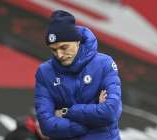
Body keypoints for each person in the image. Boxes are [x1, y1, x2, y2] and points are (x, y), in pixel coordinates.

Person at [34, 10, 122, 140]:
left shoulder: (105, 64)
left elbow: (110, 113)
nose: (59, 55)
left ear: (77, 41)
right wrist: (86, 122)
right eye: (54, 49)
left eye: (64, 47)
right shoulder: (44, 72)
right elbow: (46, 125)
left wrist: (66, 112)